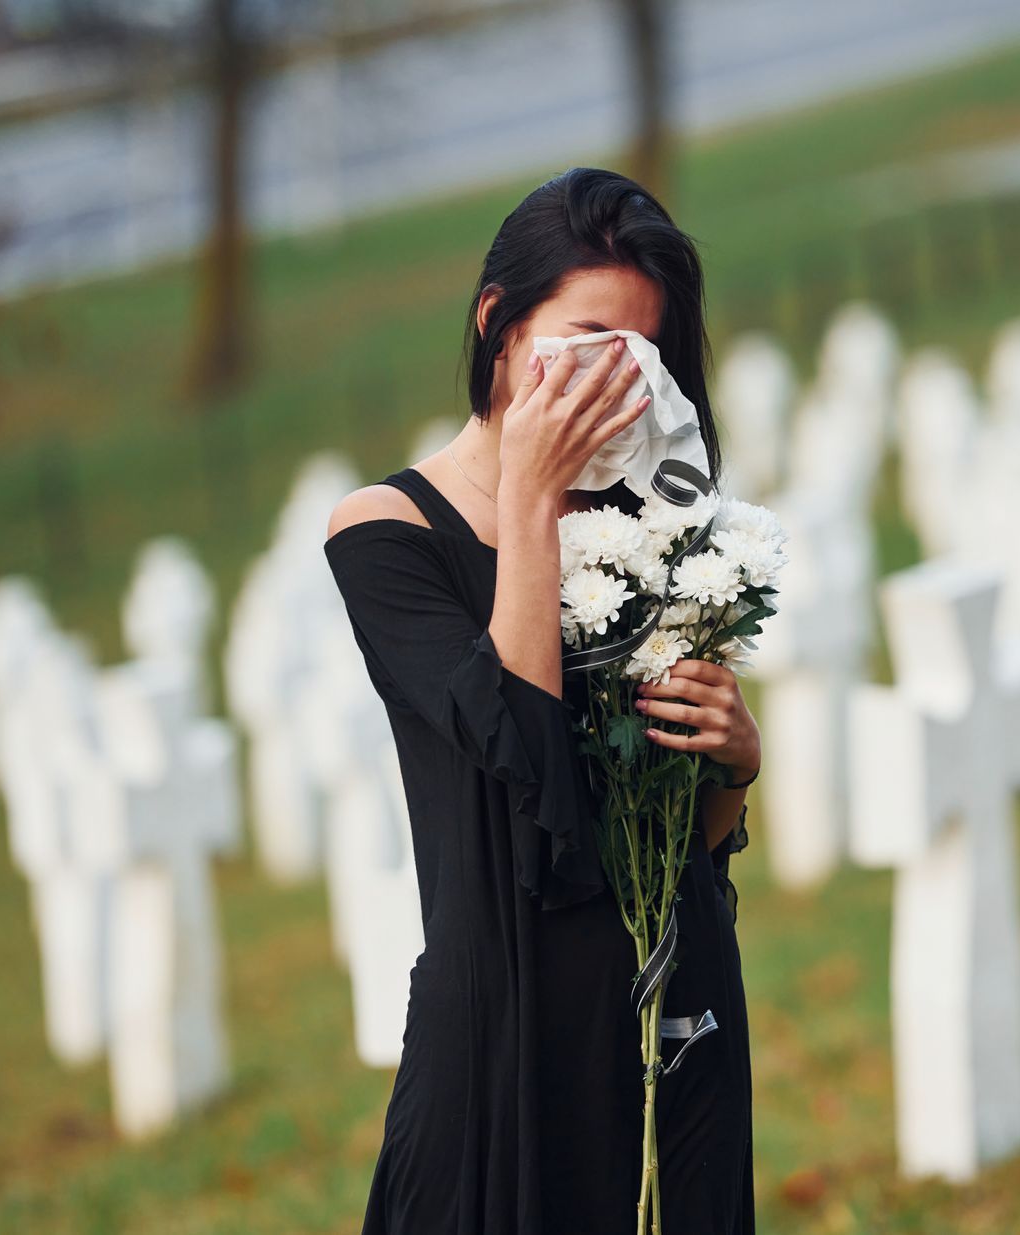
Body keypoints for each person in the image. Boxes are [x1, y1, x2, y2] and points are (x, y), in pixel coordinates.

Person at [323, 166, 758, 1234]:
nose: (617, 379)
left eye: (643, 351)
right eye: (588, 337)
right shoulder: (384, 534)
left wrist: (737, 763)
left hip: (672, 1010)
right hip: (505, 1027)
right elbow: (517, 750)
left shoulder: (652, 511)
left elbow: (687, 842)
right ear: (500, 326)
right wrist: (528, 491)